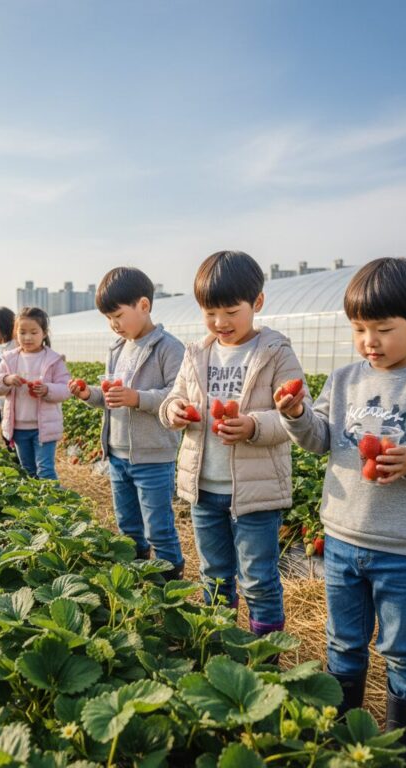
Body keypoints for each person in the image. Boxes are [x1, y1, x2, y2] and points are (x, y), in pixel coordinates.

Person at [274, 257, 406, 764]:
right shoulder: (346, 380)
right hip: (344, 540)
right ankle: (347, 739)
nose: (370, 340)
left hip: (405, 551)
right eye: (359, 329)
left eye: (384, 329)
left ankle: (398, 748)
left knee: (403, 650)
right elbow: (321, 439)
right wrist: (298, 416)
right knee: (343, 643)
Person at [159, 251, 305, 638]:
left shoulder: (275, 352)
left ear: (257, 303)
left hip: (256, 494)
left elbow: (294, 416)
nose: (220, 322)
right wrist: (174, 411)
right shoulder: (196, 353)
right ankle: (219, 643)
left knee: (257, 578)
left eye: (230, 311)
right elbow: (173, 398)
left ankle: (264, 652)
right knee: (214, 574)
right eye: (210, 312)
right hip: (204, 489)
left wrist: (253, 425)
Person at [68, 267, 185, 578]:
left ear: (143, 305)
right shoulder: (117, 349)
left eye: (117, 315)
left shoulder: (169, 349)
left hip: (153, 457)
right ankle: (138, 578)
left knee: (159, 528)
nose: (113, 324)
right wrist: (87, 394)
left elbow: (179, 396)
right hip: (117, 456)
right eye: (108, 318)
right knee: (128, 526)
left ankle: (170, 585)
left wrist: (138, 399)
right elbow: (111, 395)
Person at [0, 307, 70, 479]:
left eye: (33, 332)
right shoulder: (9, 359)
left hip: (43, 427)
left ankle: (54, 504)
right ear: (15, 333)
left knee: (45, 469)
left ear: (44, 333)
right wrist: (6, 380)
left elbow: (66, 389)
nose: (27, 337)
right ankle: (36, 505)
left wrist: (47, 389)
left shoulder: (53, 360)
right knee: (27, 470)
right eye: (22, 332)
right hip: (18, 427)